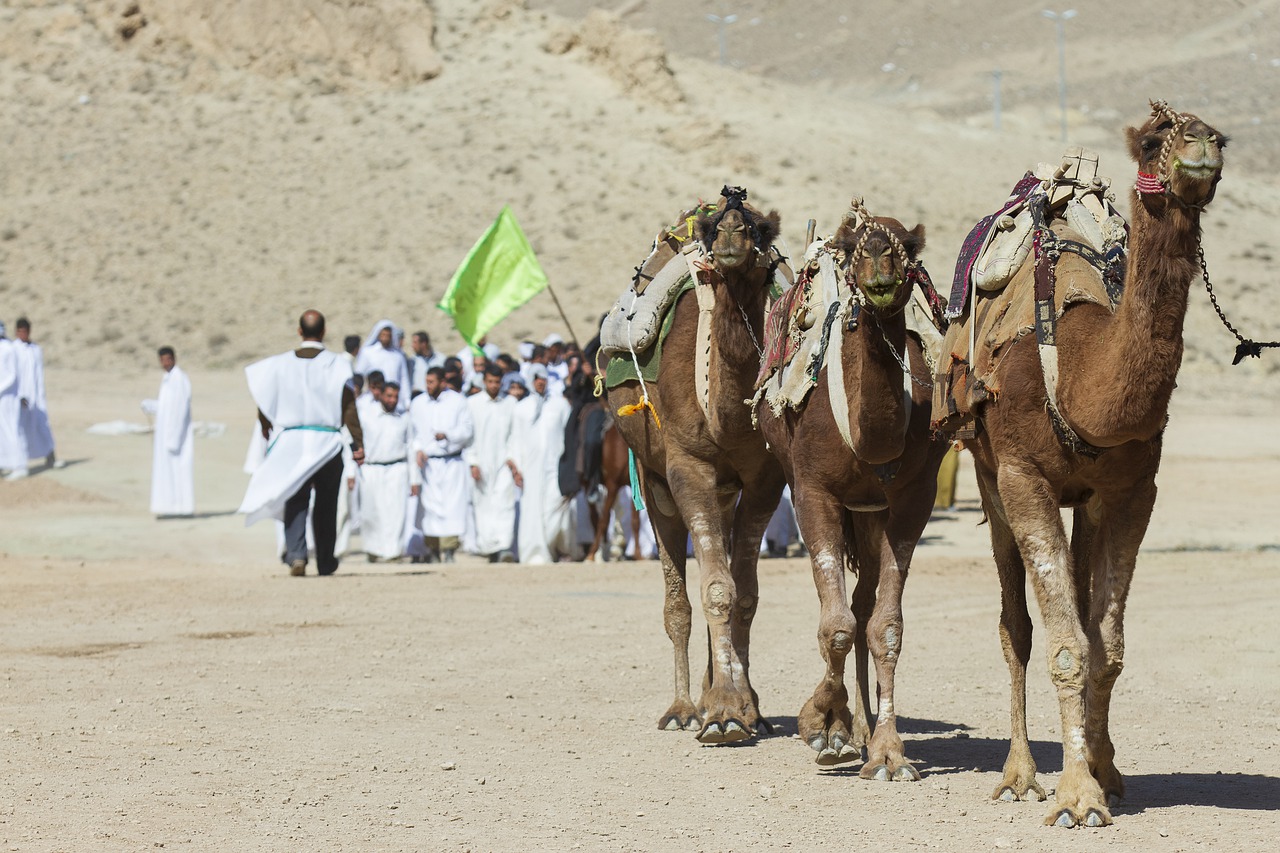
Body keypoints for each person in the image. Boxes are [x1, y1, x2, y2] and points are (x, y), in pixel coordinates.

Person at [238, 310, 364, 576]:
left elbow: (264, 395)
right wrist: (357, 442)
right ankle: (326, 560)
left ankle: (297, 554)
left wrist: (265, 423)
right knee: (326, 504)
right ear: (324, 331)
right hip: (328, 441)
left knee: (296, 499)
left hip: (292, 442)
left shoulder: (280, 364)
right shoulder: (338, 364)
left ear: (299, 331)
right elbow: (348, 405)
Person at [511, 365, 576, 563]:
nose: (541, 381)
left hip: (556, 467)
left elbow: (569, 437)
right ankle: (536, 553)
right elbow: (515, 439)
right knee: (532, 510)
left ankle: (559, 546)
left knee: (556, 507)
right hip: (530, 469)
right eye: (537, 378)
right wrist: (516, 468)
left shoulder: (560, 406)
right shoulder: (521, 408)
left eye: (543, 377)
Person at [408, 366, 473, 563]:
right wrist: (418, 449)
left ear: (442, 382)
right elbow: (413, 433)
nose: (428, 386)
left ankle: (451, 549)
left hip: (451, 461)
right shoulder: (418, 403)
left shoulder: (458, 401)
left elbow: (467, 430)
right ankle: (433, 549)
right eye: (426, 382)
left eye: (432, 382)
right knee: (430, 509)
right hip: (429, 464)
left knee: (453, 507)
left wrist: (449, 434)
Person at [464, 365, 522, 562]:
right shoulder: (472, 403)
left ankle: (504, 547)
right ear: (484, 382)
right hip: (481, 461)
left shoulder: (511, 403)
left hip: (504, 462)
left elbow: (515, 435)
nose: (494, 385)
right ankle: (489, 547)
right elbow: (469, 436)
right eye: (490, 382)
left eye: (497, 382)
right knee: (483, 505)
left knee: (505, 503)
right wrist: (472, 462)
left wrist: (513, 460)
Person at [358, 382, 420, 562]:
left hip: (397, 468)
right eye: (389, 396)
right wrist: (351, 473)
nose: (392, 400)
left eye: (395, 396)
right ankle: (373, 549)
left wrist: (414, 478)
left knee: (396, 511)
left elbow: (411, 447)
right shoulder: (366, 415)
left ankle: (393, 551)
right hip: (371, 468)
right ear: (380, 395)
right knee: (371, 511)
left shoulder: (404, 418)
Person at [141, 346, 194, 517]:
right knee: (167, 473)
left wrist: (173, 437)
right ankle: (171, 507)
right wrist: (151, 406)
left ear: (174, 359)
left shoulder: (179, 379)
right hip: (166, 435)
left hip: (175, 437)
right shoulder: (168, 379)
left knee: (178, 472)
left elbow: (180, 409)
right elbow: (167, 408)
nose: (165, 363)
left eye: (168, 359)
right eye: (162, 360)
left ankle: (183, 509)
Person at [13, 318, 59, 470]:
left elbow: (38, 374)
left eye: (25, 331)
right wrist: (19, 395)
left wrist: (40, 394)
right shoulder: (13, 349)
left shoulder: (35, 349)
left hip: (37, 395)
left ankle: (50, 456)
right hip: (21, 396)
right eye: (20, 331)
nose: (22, 334)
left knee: (42, 424)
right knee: (17, 428)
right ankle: (15, 462)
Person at [355, 320, 411, 411]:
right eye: (383, 335)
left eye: (388, 335)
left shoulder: (398, 356)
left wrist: (407, 400)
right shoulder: (368, 353)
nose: (385, 338)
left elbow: (404, 379)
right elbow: (359, 375)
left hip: (394, 402)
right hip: (373, 400)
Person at [0, 322, 27, 480]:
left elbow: (12, 375)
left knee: (11, 429)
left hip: (8, 397)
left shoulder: (9, 348)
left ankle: (19, 465)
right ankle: (4, 463)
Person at [410, 331, 445, 396]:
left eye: (415, 343)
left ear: (423, 344)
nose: (413, 346)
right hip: (418, 395)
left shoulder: (440, 358)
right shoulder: (412, 361)